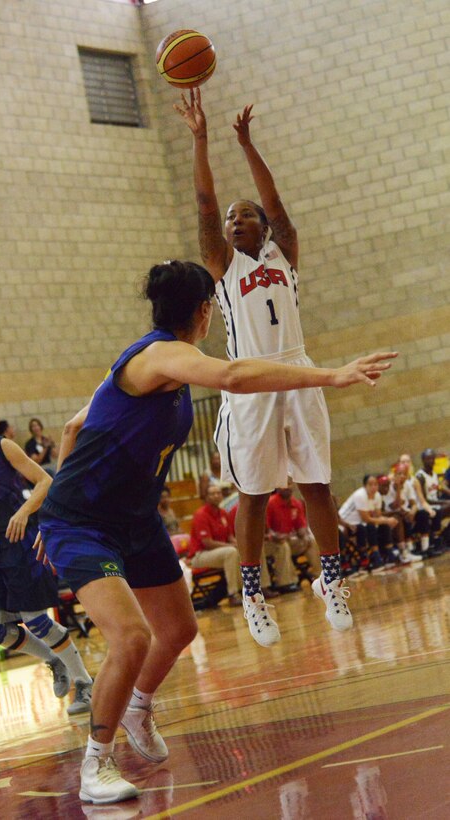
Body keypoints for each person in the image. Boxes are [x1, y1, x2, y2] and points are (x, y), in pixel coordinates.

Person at [36, 258, 394, 805]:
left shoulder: (167, 366)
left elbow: (74, 425)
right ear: (205, 312)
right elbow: (233, 377)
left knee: (178, 631)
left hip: (134, 520)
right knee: (132, 637)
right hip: (83, 524)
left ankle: (136, 705)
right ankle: (97, 764)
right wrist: (330, 375)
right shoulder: (160, 355)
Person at [175, 89, 389, 644]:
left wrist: (247, 145)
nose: (235, 219)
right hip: (248, 380)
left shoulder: (283, 253)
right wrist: (199, 140)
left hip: (296, 371)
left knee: (316, 482)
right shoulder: (222, 265)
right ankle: (251, 593)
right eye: (230, 216)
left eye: (246, 214)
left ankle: (332, 581)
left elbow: (277, 205)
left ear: (263, 227)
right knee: (254, 492)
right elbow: (203, 203)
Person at [0, 390, 93, 714]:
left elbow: (44, 481)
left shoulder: (2, 446)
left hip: (18, 539)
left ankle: (84, 684)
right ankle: (54, 660)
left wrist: (24, 512)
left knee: (36, 620)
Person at [189, 484, 243, 606]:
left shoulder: (223, 513)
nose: (216, 496)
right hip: (200, 556)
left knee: (242, 551)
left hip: (219, 552)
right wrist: (231, 546)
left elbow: (230, 537)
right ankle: (233, 594)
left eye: (218, 493)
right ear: (206, 497)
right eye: (212, 494)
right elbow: (207, 543)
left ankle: (244, 591)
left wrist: (239, 545)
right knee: (231, 552)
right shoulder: (201, 515)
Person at [338, 476, 398, 573]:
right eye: (370, 485)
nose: (373, 487)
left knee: (383, 525)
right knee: (370, 526)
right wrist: (387, 520)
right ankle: (374, 557)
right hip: (345, 523)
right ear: (365, 486)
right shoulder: (360, 495)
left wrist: (389, 520)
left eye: (375, 484)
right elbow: (366, 518)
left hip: (361, 524)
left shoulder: (377, 496)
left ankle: (388, 553)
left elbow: (378, 516)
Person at [266, 481, 321, 584]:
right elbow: (267, 530)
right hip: (275, 542)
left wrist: (304, 534)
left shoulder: (296, 503)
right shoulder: (270, 503)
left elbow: (301, 526)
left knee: (312, 541)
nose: (287, 487)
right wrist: (278, 536)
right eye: (284, 484)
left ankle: (320, 575)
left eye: (290, 484)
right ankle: (288, 582)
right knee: (284, 546)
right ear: (277, 488)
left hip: (291, 539)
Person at [415, 448, 450, 554]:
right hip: (424, 507)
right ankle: (436, 540)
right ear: (423, 460)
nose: (431, 460)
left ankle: (444, 536)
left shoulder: (434, 474)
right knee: (441, 509)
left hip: (435, 504)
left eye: (432, 458)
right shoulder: (420, 476)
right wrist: (445, 502)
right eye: (428, 458)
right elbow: (425, 500)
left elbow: (438, 489)